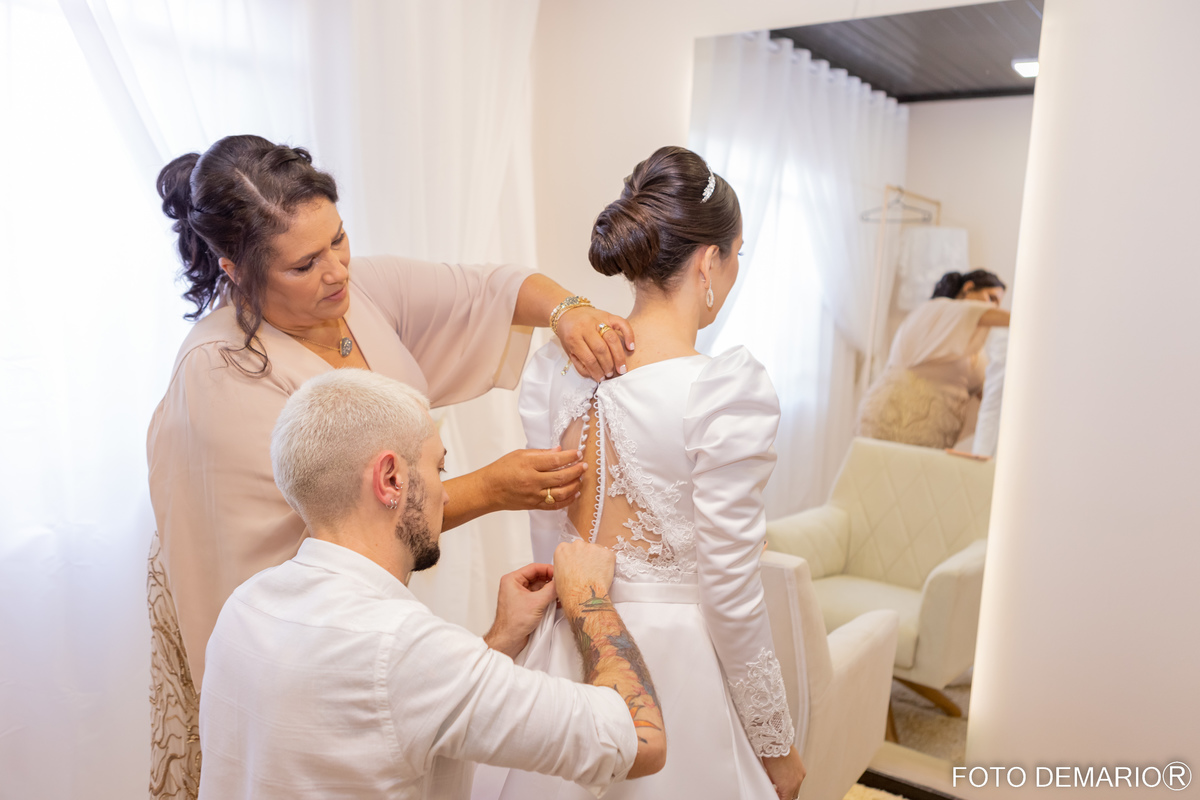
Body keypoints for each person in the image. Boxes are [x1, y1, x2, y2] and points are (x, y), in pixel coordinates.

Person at [146, 134, 639, 799]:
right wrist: (494, 488)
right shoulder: (221, 372)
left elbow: (489, 289)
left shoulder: (361, 292)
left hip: (366, 599)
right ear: (234, 269)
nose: (336, 273)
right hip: (293, 625)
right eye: (304, 265)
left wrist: (569, 310)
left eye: (338, 240)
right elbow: (331, 524)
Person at [479, 147, 805, 800]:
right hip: (670, 666)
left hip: (566, 641)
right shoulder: (724, 391)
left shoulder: (554, 371)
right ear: (709, 261)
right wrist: (775, 744)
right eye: (737, 255)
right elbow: (732, 594)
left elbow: (552, 541)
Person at [198, 369, 665, 799]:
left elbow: (396, 711)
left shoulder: (245, 607)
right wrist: (588, 597)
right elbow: (638, 739)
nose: (445, 494)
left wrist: (498, 642)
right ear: (390, 479)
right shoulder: (403, 648)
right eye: (438, 468)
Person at [857, 269, 1011, 449]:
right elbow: (976, 313)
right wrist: (1029, 320)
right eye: (991, 298)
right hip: (894, 420)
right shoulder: (935, 311)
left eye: (998, 303)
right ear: (968, 288)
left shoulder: (976, 351)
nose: (994, 308)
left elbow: (986, 392)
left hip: (933, 437)